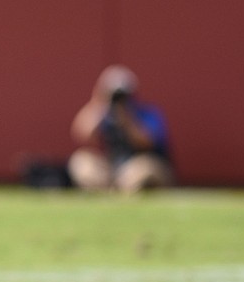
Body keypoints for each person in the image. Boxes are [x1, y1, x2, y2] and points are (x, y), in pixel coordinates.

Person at [68, 64, 174, 193]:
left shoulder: (148, 113)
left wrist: (127, 120)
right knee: (81, 161)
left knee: (142, 170)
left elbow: (146, 142)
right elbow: (83, 133)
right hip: (113, 168)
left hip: (143, 164)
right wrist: (100, 102)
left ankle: (122, 190)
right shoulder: (104, 113)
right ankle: (108, 191)